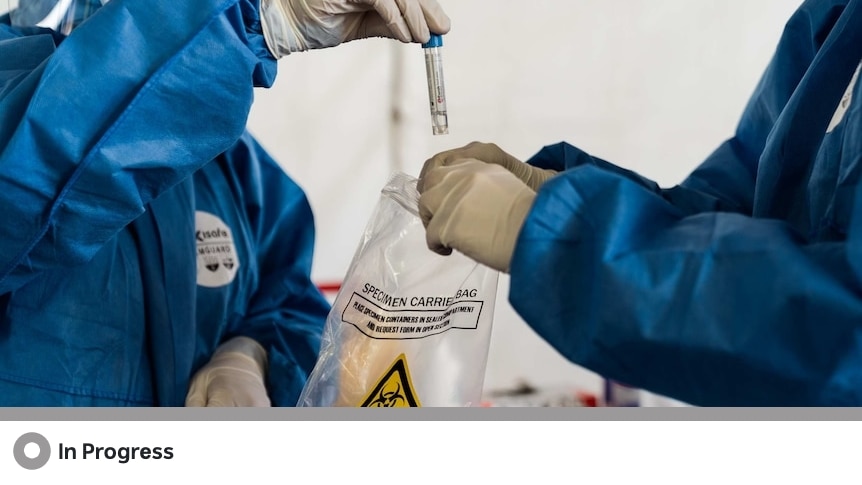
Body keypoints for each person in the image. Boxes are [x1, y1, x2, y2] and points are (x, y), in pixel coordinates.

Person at [0, 0, 450, 406]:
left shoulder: (234, 163)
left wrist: (250, 355)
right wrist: (247, 21)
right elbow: (27, 176)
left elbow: (286, 301)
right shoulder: (11, 80)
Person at [416, 0, 862, 406]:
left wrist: (558, 234)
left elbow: (841, 332)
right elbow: (744, 217)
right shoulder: (837, 17)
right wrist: (556, 194)